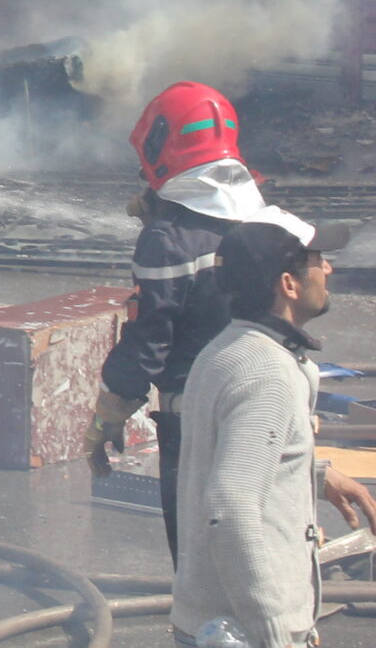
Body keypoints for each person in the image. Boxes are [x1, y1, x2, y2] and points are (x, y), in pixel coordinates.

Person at [93, 82, 296, 559]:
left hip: (196, 420)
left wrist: (108, 414)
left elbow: (149, 340)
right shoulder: (269, 224)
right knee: (269, 542)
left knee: (201, 559)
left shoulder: (166, 242)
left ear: (160, 145)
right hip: (271, 407)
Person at [172, 217, 376, 648]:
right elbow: (229, 506)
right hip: (247, 630)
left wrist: (311, 474)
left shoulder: (229, 349)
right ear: (289, 283)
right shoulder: (269, 374)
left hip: (214, 621)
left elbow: (226, 456)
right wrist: (273, 633)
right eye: (319, 261)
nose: (329, 271)